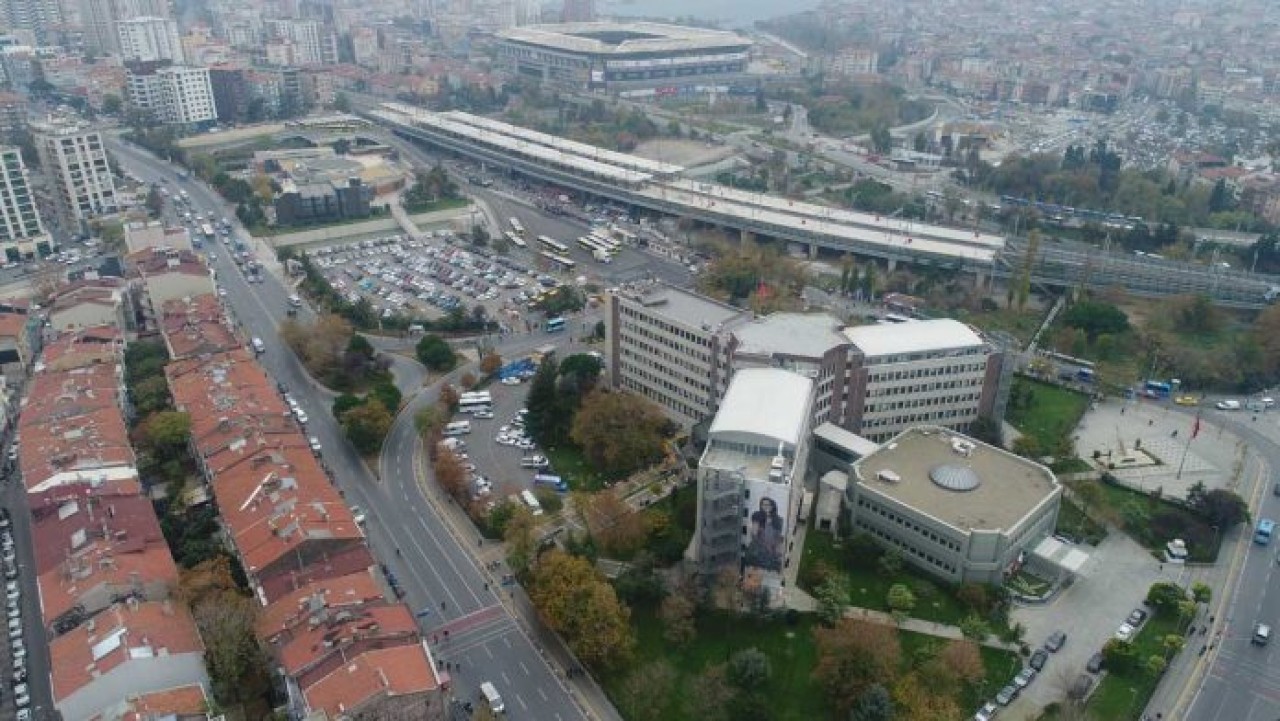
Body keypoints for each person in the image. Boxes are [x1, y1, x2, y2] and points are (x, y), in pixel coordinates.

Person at [745, 496, 784, 571]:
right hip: (758, 549)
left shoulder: (778, 520)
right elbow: (754, 534)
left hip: (771, 551)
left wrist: (778, 552)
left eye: (768, 505)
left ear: (772, 506)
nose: (765, 507)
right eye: (763, 505)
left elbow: (778, 538)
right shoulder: (757, 516)